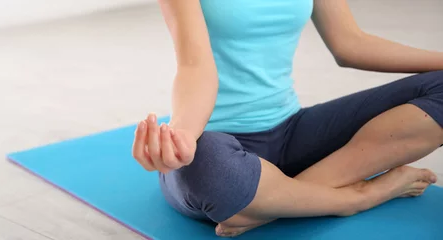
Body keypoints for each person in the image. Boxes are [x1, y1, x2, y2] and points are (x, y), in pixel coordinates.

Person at [130, 0, 443, 237]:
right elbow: (195, 65)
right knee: (205, 168)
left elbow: (350, 43)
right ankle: (355, 197)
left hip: (291, 133)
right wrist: (183, 133)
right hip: (216, 145)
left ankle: (269, 204)